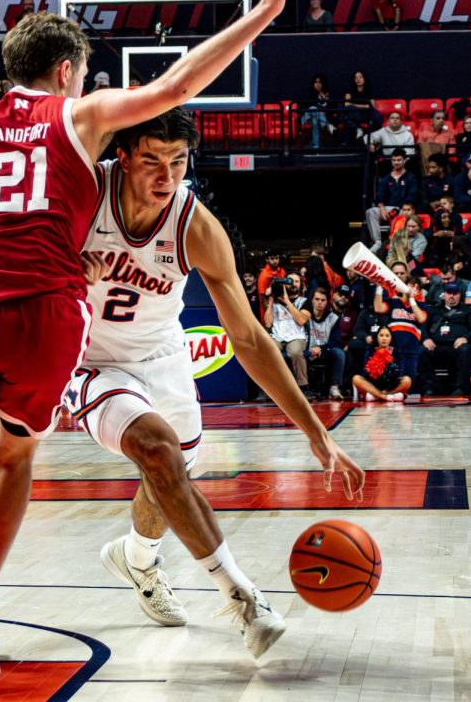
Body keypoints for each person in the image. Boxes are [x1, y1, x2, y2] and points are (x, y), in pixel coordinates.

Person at [0, 0, 318, 685]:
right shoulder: (82, 116)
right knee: (11, 460)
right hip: (53, 317)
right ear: (67, 71)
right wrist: (261, 14)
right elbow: (178, 83)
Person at [65, 109, 362, 653]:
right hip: (90, 360)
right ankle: (244, 599)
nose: (166, 177)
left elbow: (248, 337)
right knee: (159, 452)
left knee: (170, 477)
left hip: (165, 357)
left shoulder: (195, 225)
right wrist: (60, 270)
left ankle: (136, 559)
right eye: (151, 161)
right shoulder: (83, 193)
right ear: (122, 157)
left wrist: (316, 432)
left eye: (177, 162)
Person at [418, 283, 471, 395]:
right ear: (444, 294)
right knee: (421, 350)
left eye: (455, 293)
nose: (452, 296)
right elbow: (422, 327)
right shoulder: (433, 310)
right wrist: (426, 339)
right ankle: (428, 388)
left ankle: (461, 388)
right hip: (436, 346)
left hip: (457, 347)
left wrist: (466, 338)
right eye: (449, 293)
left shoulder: (468, 311)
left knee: (466, 350)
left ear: (460, 295)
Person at [373, 273, 427, 393]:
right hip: (393, 350)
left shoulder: (421, 305)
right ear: (404, 286)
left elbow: (421, 319)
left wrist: (412, 299)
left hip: (411, 350)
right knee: (390, 380)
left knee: (408, 385)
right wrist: (379, 287)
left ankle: (392, 395)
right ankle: (385, 394)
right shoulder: (394, 301)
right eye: (412, 285)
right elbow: (378, 308)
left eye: (418, 288)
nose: (414, 289)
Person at [263, 273, 310, 393]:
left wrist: (287, 302)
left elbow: (301, 320)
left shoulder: (304, 301)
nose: (293, 284)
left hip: (296, 336)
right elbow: (268, 323)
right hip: (277, 336)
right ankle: (272, 388)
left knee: (295, 352)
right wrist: (271, 301)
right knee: (268, 350)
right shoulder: (275, 301)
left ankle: (303, 386)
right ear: (284, 284)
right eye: (290, 281)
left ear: (301, 285)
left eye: (297, 281)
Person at [365, 148, 417, 248]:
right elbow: (380, 195)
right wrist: (382, 208)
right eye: (394, 160)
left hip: (403, 208)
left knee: (404, 212)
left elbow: (412, 195)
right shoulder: (386, 179)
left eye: (399, 160)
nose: (396, 162)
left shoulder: (411, 177)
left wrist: (402, 208)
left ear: (404, 160)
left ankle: (398, 242)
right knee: (371, 212)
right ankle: (377, 242)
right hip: (388, 208)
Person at [352, 325, 410, 401]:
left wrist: (391, 372)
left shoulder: (396, 352)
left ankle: (380, 395)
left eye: (387, 336)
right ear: (377, 337)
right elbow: (365, 373)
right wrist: (375, 370)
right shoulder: (370, 350)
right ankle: (385, 397)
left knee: (407, 380)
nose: (384, 338)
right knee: (356, 378)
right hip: (374, 384)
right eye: (381, 335)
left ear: (391, 338)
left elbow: (401, 372)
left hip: (391, 385)